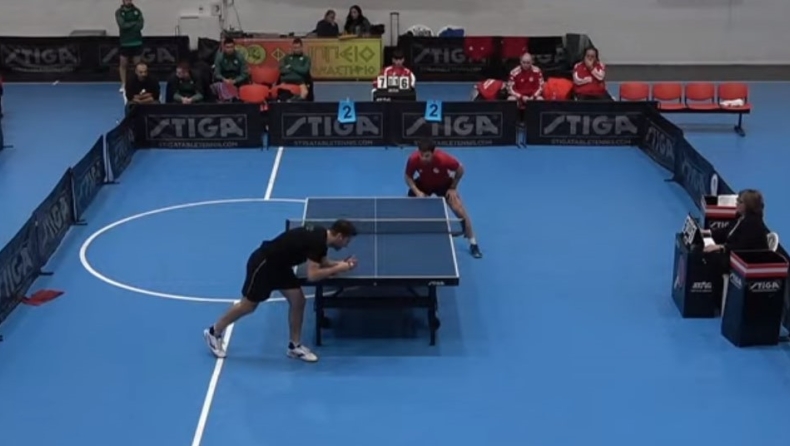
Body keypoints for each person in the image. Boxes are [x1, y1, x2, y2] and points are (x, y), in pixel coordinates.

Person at [204, 219, 359, 362]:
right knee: (248, 305)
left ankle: (294, 346)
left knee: (298, 301)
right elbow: (313, 275)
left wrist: (341, 264)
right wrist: (340, 268)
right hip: (264, 265)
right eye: (347, 241)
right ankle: (214, 332)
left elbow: (323, 262)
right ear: (339, 236)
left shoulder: (321, 235)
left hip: (281, 267)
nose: (346, 245)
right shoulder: (317, 241)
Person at [405, 139, 482, 258]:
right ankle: (411, 235)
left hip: (443, 185)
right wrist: (417, 192)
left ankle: (473, 244)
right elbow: (408, 177)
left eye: (427, 156)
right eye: (421, 155)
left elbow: (460, 169)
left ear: (433, 153)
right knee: (408, 207)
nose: (423, 158)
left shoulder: (444, 159)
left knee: (459, 210)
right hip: (424, 184)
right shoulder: (413, 159)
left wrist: (453, 188)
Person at [703, 189, 769, 254]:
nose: (736, 203)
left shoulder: (753, 224)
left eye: (740, 201)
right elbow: (726, 232)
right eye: (737, 200)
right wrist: (706, 233)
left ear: (749, 205)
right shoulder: (740, 217)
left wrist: (721, 248)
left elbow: (741, 246)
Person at [115, 0, 145, 92]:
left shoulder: (137, 11)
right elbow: (122, 25)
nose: (128, 1)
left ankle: (138, 84)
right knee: (123, 64)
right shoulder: (119, 12)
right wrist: (134, 23)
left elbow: (140, 25)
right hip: (125, 42)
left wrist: (129, 24)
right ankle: (124, 84)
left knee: (138, 65)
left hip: (137, 42)